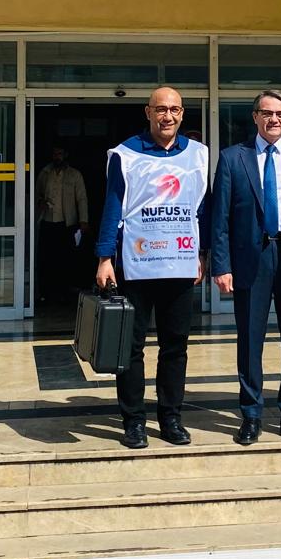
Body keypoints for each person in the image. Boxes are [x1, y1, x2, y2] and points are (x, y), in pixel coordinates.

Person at [95, 87, 209, 450]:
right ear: (148, 112)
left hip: (180, 264)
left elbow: (202, 209)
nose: (168, 116)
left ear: (182, 113)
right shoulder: (126, 154)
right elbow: (113, 205)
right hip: (136, 265)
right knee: (130, 348)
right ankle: (134, 421)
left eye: (174, 109)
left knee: (175, 346)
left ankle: (171, 417)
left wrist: (203, 254)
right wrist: (104, 257)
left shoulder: (198, 154)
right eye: (161, 109)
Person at [211, 88, 281, 445]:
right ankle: (251, 414)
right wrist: (221, 265)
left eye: (280, 114)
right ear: (255, 117)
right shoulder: (233, 158)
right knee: (250, 340)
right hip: (252, 258)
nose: (273, 119)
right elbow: (220, 218)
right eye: (266, 113)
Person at [35, 143, 88, 305]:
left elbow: (81, 198)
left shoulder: (74, 175)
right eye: (54, 154)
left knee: (66, 258)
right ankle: (46, 292)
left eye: (59, 153)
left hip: (67, 222)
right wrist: (40, 202)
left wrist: (84, 220)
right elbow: (37, 193)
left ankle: (65, 292)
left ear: (65, 155)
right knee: (47, 258)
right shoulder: (45, 173)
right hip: (48, 220)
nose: (57, 157)